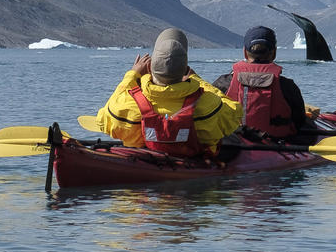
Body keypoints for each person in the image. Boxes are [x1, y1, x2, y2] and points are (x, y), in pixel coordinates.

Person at [94, 29, 241, 157]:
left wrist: (132, 76)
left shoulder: (127, 104)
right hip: (196, 169)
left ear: (150, 67)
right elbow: (234, 114)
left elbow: (103, 119)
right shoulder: (209, 104)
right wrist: (198, 81)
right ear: (185, 69)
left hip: (143, 167)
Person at [212, 26, 311, 140]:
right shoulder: (287, 86)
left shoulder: (223, 82)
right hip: (277, 142)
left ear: (245, 52)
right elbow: (299, 122)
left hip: (233, 144)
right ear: (274, 52)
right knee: (309, 125)